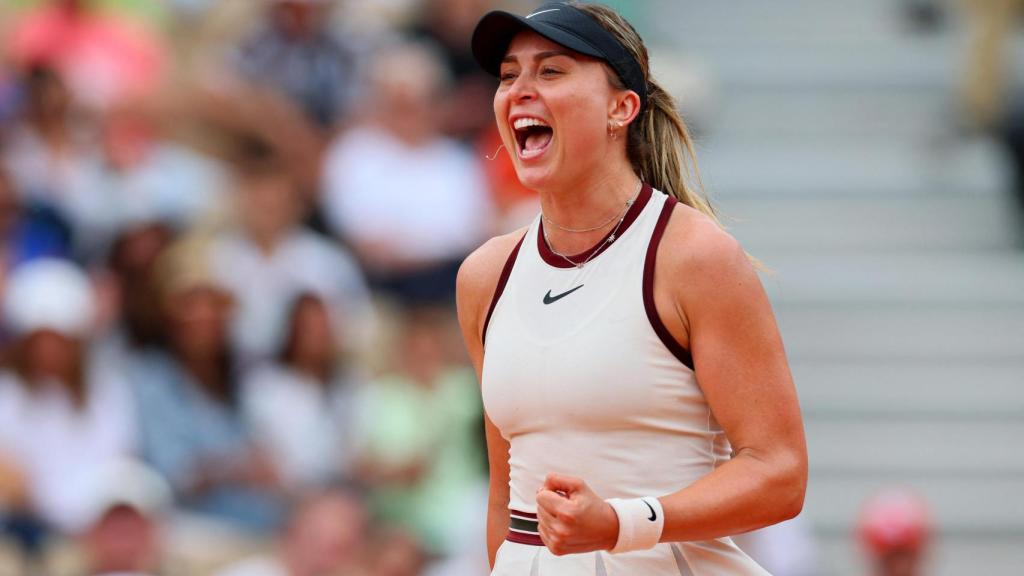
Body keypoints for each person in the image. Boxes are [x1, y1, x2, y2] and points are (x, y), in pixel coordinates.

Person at [456, 2, 808, 574]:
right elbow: (505, 495)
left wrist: (624, 522)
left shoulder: (695, 256)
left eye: (551, 71)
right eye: (508, 75)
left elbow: (780, 473)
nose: (520, 89)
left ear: (622, 108)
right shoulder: (483, 275)